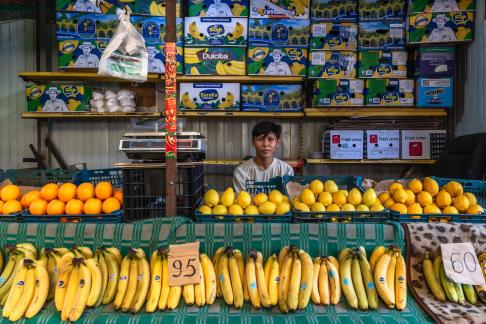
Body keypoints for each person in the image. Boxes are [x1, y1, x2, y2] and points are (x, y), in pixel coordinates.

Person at [233, 121, 294, 192]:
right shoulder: (241, 172)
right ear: (253, 142)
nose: (265, 144)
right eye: (260, 139)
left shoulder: (286, 171)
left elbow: (287, 200)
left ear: (277, 143)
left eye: (270, 139)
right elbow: (242, 200)